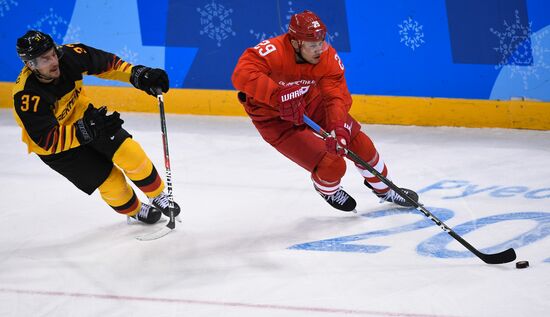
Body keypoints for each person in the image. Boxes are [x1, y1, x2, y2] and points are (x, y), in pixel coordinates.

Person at [232, 10, 418, 212]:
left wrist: (339, 129)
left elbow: (335, 96)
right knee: (333, 166)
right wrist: (277, 95)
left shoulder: (327, 57)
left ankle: (385, 189)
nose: (319, 49)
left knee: (360, 144)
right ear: (295, 43)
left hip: (311, 105)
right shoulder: (274, 52)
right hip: (274, 119)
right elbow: (242, 74)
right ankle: (327, 190)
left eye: (321, 42)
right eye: (312, 45)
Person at [12, 30, 181, 224]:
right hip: (57, 149)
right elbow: (47, 140)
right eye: (45, 59)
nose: (54, 61)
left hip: (87, 119)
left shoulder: (69, 56)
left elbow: (107, 64)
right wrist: (83, 131)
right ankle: (134, 210)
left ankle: (157, 195)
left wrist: (137, 74)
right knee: (112, 182)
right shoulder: (27, 96)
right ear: (29, 64)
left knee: (130, 153)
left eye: (52, 53)